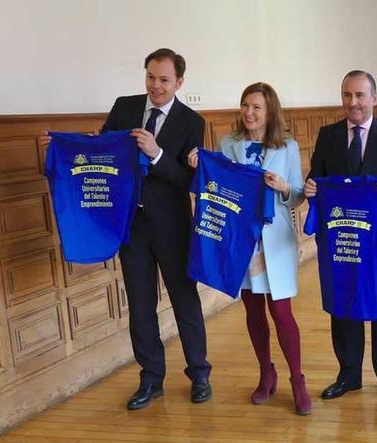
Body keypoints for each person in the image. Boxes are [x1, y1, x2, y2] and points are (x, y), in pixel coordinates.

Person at [188, 82, 311, 415]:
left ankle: (297, 381)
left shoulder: (287, 147)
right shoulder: (229, 144)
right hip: (242, 242)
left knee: (282, 313)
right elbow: (217, 184)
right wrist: (198, 163)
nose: (249, 112)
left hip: (276, 240)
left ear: (270, 111)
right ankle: (265, 372)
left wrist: (284, 187)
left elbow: (299, 196)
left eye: (256, 107)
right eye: (245, 105)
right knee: (253, 310)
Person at [100, 48, 211, 410]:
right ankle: (151, 379)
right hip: (132, 225)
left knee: (184, 300)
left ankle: (199, 375)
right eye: (150, 77)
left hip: (173, 226)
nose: (155, 86)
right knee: (141, 304)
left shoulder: (191, 122)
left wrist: (157, 153)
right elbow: (104, 153)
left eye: (164, 79)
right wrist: (65, 148)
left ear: (179, 82)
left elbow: (187, 180)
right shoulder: (124, 107)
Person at [304, 70, 377, 401]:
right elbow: (317, 178)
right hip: (342, 240)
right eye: (346, 95)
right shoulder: (328, 136)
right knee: (344, 300)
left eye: (359, 95)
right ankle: (348, 374)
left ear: (374, 98)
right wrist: (312, 187)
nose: (352, 102)